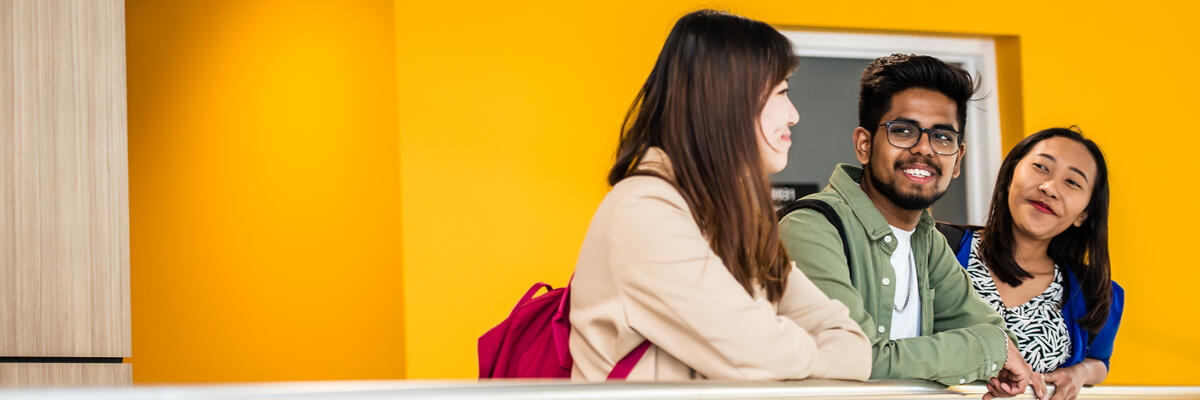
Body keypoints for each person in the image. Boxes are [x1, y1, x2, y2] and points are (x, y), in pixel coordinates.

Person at [568, 10, 871, 381]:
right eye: (781, 92)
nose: (793, 115)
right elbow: (759, 356)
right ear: (729, 101)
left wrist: (780, 348)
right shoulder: (644, 211)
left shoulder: (737, 216)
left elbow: (853, 344)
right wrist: (808, 355)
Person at [777, 54, 1046, 399]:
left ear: (958, 160)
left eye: (942, 138)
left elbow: (990, 330)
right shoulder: (811, 227)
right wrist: (985, 351)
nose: (923, 149)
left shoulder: (926, 240)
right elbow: (858, 362)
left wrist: (991, 347)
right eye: (903, 131)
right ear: (864, 144)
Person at [940, 128, 1123, 400]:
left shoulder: (1094, 293)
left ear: (1083, 214)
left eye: (1072, 182)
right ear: (1011, 174)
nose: (1049, 188)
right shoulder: (936, 246)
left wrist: (1080, 373)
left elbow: (1100, 362)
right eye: (1040, 167)